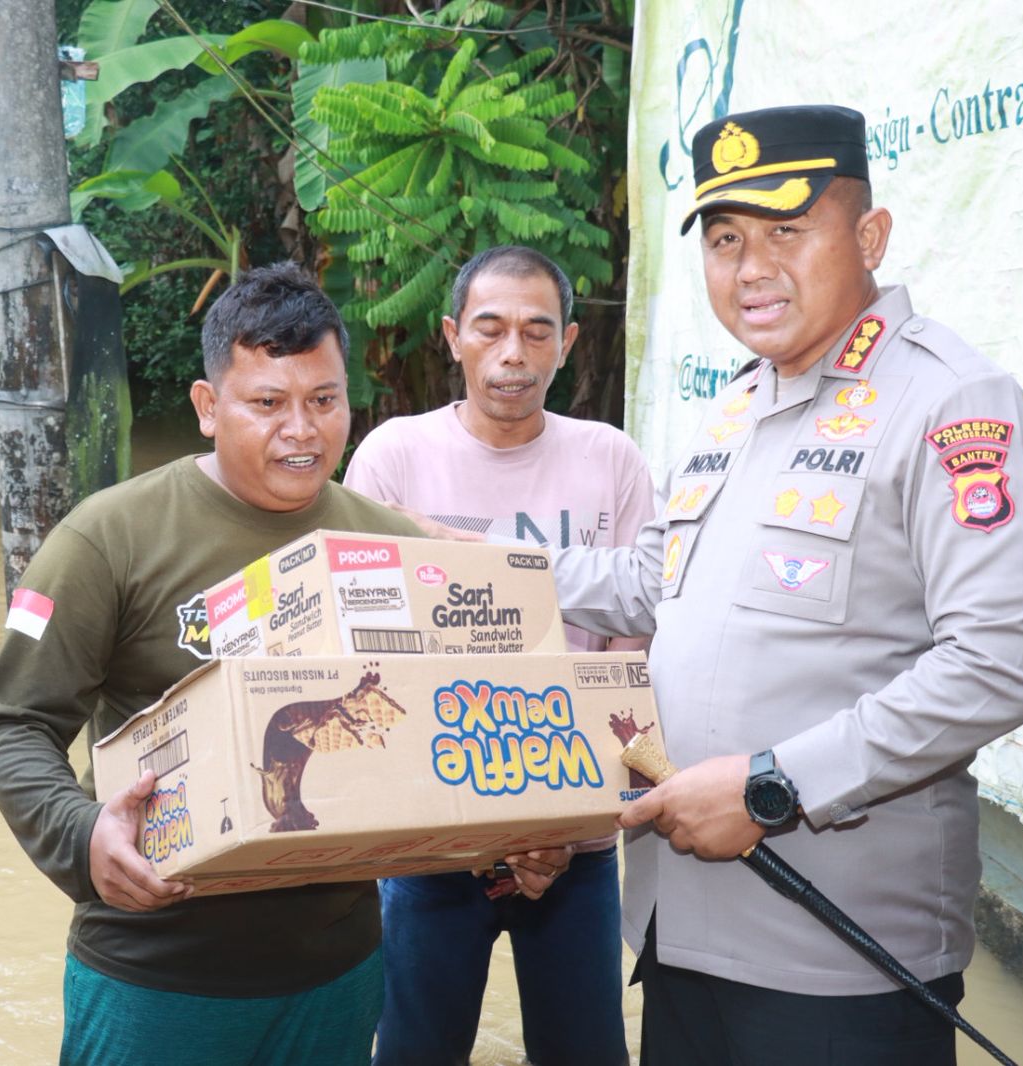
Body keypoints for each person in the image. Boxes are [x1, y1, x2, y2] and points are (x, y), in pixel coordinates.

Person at [548, 105, 1023, 1064]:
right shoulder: (734, 408)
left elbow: (1003, 661)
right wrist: (477, 561)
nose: (751, 268)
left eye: (787, 230)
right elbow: (646, 583)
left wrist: (774, 788)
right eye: (727, 238)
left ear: (869, 235)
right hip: (679, 928)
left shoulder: (949, 400)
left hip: (838, 955)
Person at [0, 262, 569, 1066]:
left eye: (324, 401)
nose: (302, 430)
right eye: (268, 404)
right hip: (157, 974)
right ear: (208, 407)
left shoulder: (393, 545)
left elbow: (455, 726)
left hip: (339, 973)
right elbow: (12, 724)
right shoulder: (106, 538)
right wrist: (83, 839)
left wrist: (528, 830)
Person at [344, 245, 654, 1066]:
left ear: (569, 343)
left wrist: (553, 821)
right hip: (428, 843)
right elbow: (370, 651)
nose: (512, 355)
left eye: (535, 331)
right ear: (452, 336)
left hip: (575, 845)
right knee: (413, 1051)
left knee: (586, 1051)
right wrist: (478, 818)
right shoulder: (391, 459)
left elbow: (631, 641)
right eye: (489, 329)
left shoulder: (611, 459)